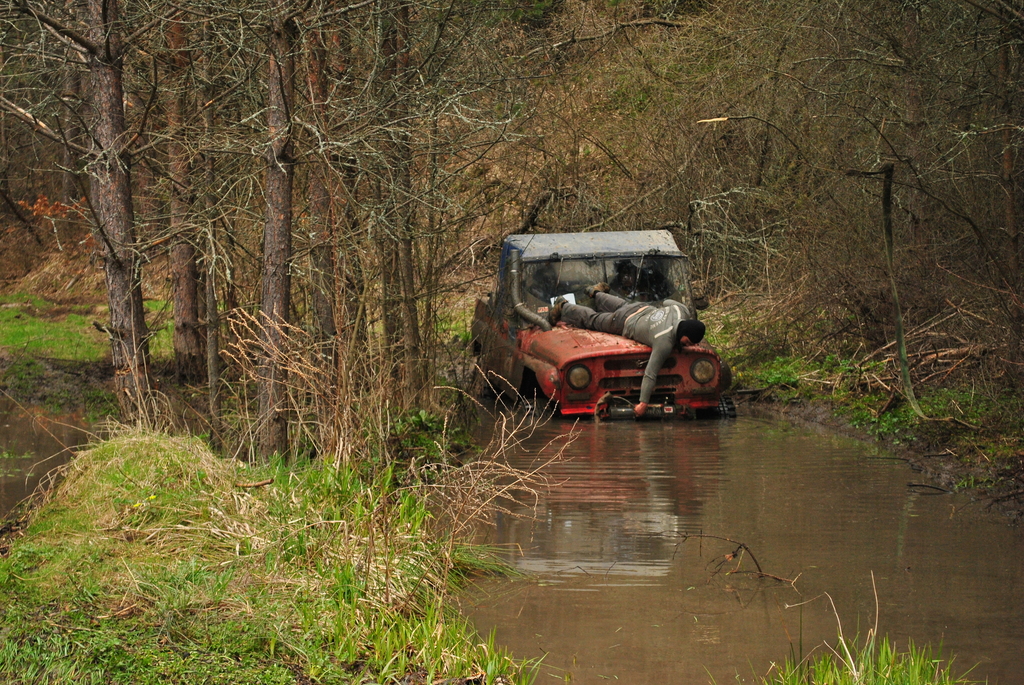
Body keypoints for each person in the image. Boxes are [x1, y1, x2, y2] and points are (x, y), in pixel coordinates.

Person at [549, 284, 706, 417]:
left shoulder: (681, 310)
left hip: (640, 308)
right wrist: (643, 404)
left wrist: (660, 317)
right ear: (684, 333)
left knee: (621, 305)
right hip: (624, 322)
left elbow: (666, 302)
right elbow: (650, 373)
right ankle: (564, 306)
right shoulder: (664, 341)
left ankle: (594, 292)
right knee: (594, 320)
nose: (688, 345)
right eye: (688, 342)